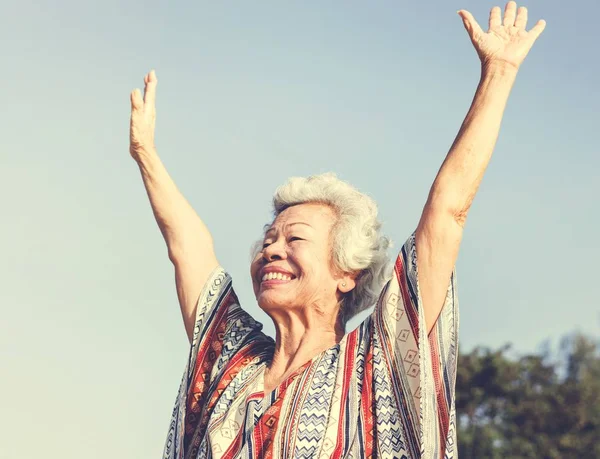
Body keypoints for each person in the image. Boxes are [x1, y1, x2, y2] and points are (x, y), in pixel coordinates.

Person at [128, 3, 545, 458]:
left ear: (346, 272)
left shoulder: (376, 359)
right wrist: (146, 154)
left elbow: (447, 212)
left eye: (295, 240)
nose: (271, 250)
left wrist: (498, 73)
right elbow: (187, 249)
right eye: (268, 240)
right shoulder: (233, 363)